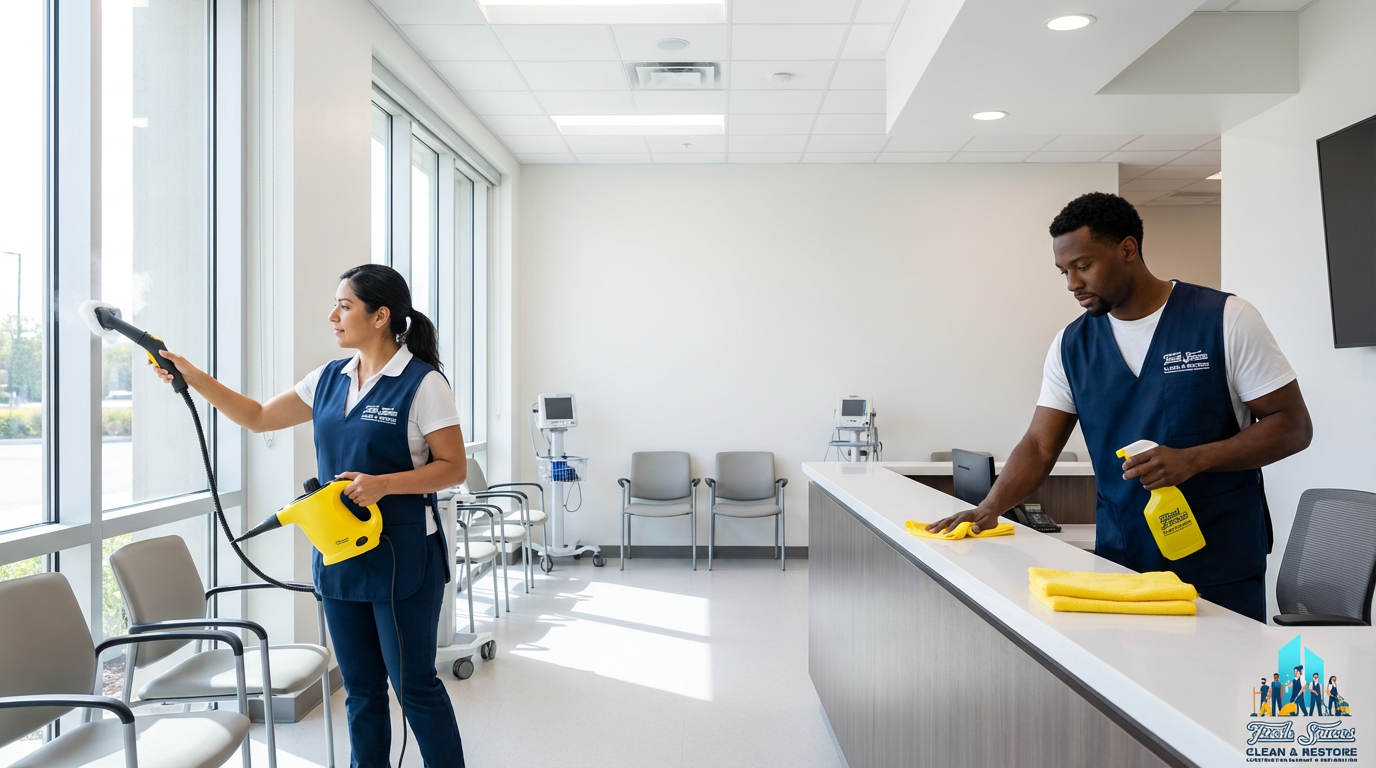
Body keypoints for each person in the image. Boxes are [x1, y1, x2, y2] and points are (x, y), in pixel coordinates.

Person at [927, 192, 1313, 623]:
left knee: (1221, 685)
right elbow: (1039, 445)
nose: (1072, 283)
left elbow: (1293, 426)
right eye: (1064, 271)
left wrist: (1194, 459)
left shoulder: (1226, 318)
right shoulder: (1071, 346)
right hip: (1121, 560)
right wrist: (990, 507)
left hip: (1218, 560)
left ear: (1127, 249)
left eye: (1083, 265)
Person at [154, 264, 467, 767]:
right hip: (340, 554)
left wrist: (383, 485)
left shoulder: (423, 383)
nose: (333, 316)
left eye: (344, 306)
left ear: (381, 316)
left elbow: (454, 468)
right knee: (361, 690)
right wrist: (193, 377)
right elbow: (256, 417)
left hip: (404, 558)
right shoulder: (326, 379)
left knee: (415, 686)